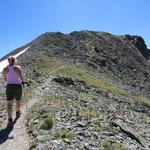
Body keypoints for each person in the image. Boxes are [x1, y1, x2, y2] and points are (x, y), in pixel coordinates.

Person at [2, 56, 24, 126]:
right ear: (14, 61)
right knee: (18, 100)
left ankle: (10, 119)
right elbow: (21, 77)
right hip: (17, 86)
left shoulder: (5, 69)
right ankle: (17, 113)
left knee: (9, 103)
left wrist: (9, 81)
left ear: (8, 61)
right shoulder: (17, 68)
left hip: (9, 86)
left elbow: (5, 78)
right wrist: (23, 82)